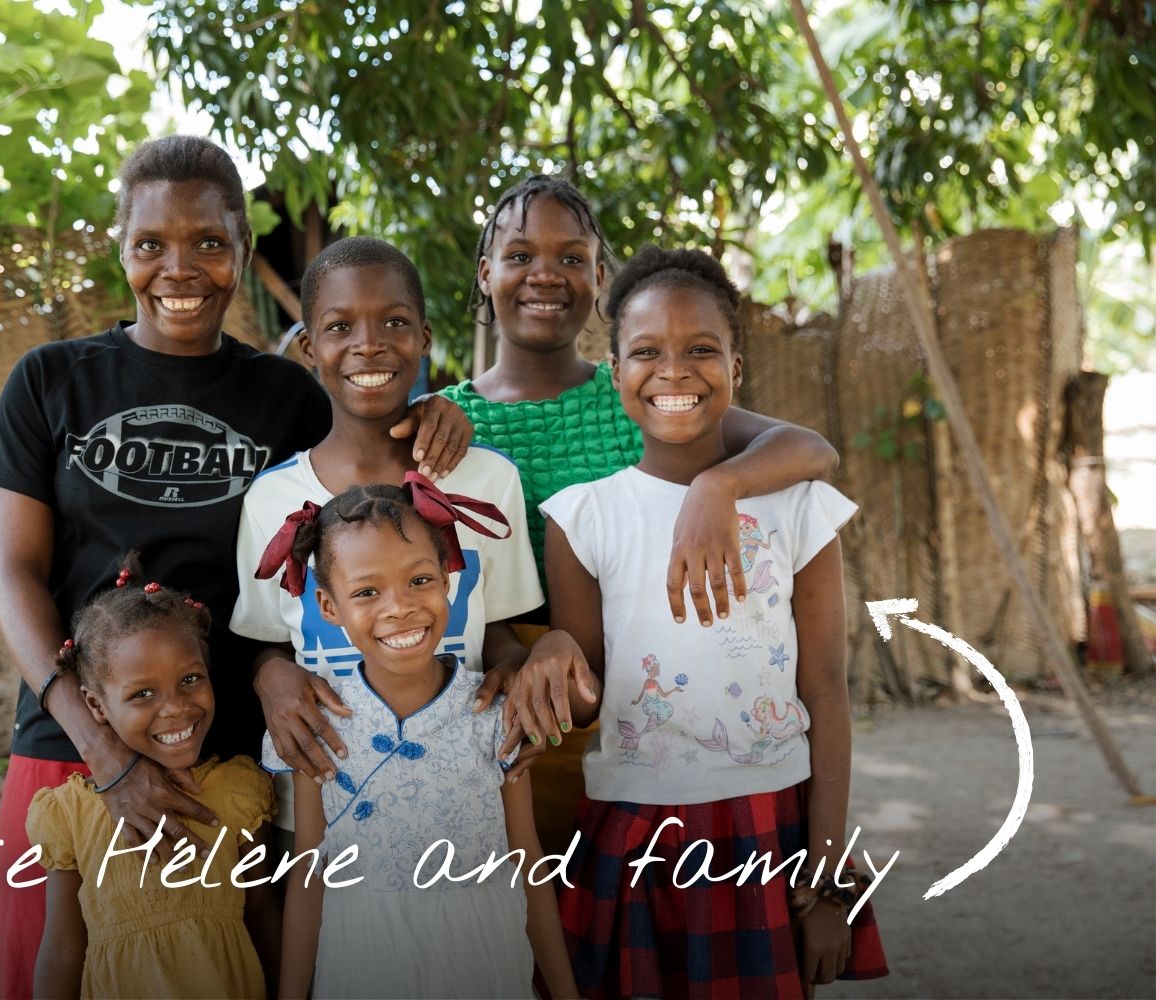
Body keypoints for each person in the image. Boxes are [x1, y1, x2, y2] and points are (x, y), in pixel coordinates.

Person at [0, 135, 471, 998]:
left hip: (228, 750)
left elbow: (373, 459)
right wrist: (102, 751)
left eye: (207, 241)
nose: (179, 268)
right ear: (120, 248)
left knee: (236, 969)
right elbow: (12, 575)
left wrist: (438, 412)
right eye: (150, 243)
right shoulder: (49, 381)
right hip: (70, 742)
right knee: (54, 972)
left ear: (241, 245)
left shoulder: (286, 396)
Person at [438, 175, 841, 851]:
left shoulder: (643, 393)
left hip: (618, 683)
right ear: (485, 273)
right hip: (497, 687)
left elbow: (811, 449)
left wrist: (718, 486)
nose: (545, 274)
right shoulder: (448, 420)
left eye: (571, 258)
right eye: (520, 255)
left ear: (599, 276)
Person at [532, 247, 887, 998]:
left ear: (737, 365)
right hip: (633, 824)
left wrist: (828, 876)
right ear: (614, 370)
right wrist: (554, 660)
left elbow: (826, 691)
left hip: (770, 822)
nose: (674, 371)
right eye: (646, 352)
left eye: (701, 349)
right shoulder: (581, 518)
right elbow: (587, 700)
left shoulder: (799, 507)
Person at [232, 237, 544, 836]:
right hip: (327, 805)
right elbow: (265, 640)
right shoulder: (271, 498)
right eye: (340, 326)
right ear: (309, 348)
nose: (369, 343)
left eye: (394, 322)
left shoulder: (487, 478)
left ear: (424, 338)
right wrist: (268, 675)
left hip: (465, 798)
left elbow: (499, 626)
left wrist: (516, 669)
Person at [258, 484, 578, 999]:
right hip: (363, 968)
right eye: (367, 592)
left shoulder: (496, 714)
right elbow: (310, 874)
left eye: (420, 580)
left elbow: (527, 860)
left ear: (448, 582)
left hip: (483, 964)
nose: (400, 607)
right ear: (328, 605)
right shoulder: (314, 723)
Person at [29, 566, 277, 999]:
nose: (176, 708)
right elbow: (63, 949)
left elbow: (262, 915)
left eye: (190, 680)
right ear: (96, 706)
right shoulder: (70, 816)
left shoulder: (240, 793)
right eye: (143, 693)